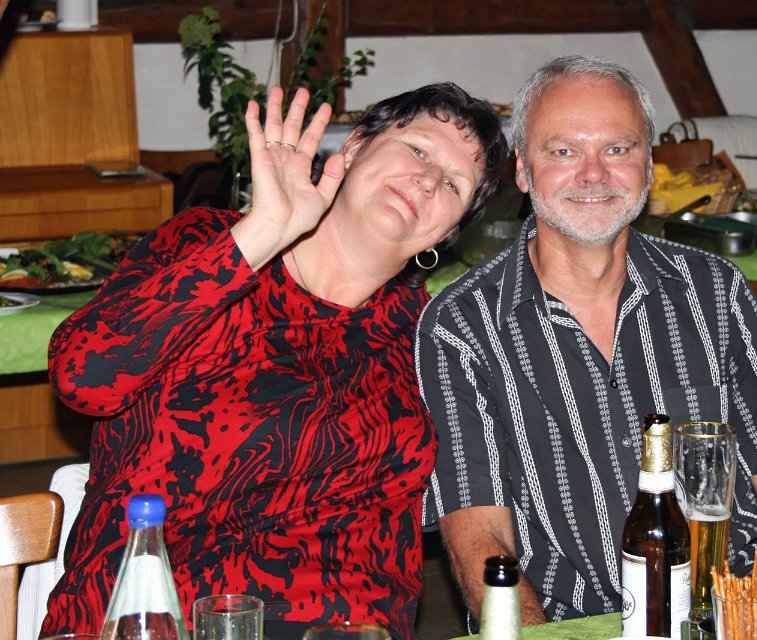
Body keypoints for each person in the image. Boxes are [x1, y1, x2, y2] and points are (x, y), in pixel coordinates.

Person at [415, 55, 757, 626]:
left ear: (650, 167)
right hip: (570, 627)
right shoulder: (460, 327)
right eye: (563, 151)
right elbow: (479, 534)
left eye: (618, 148)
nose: (593, 174)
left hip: (728, 616)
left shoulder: (714, 290)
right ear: (524, 172)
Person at [41, 82, 508, 640]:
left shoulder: (429, 337)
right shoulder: (206, 244)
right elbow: (83, 377)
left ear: (448, 233)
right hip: (159, 619)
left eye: (454, 184)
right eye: (418, 150)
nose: (428, 180)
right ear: (355, 146)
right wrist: (263, 233)